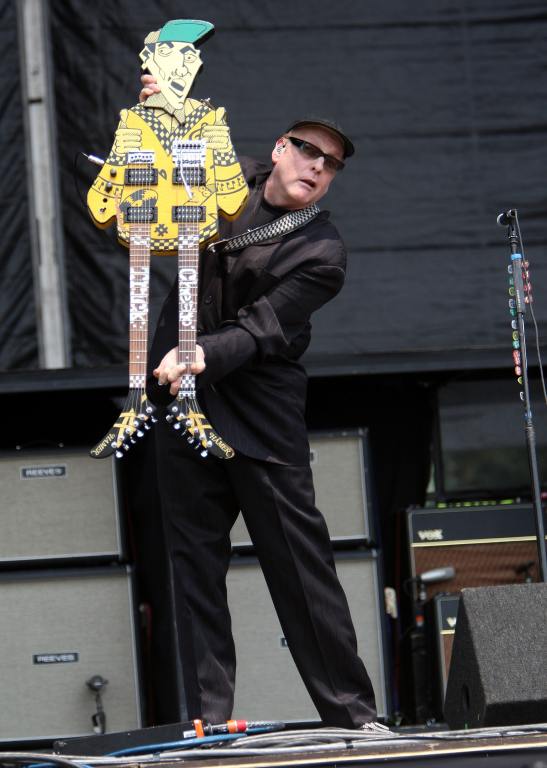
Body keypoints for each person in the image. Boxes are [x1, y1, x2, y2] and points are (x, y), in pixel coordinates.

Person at [143, 75, 385, 731]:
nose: (317, 166)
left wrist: (200, 354)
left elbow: (261, 330)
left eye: (330, 163)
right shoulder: (231, 179)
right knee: (191, 567)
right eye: (308, 150)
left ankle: (351, 716)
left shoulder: (321, 250)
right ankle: (203, 722)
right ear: (279, 148)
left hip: (257, 412)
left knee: (299, 569)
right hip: (182, 403)